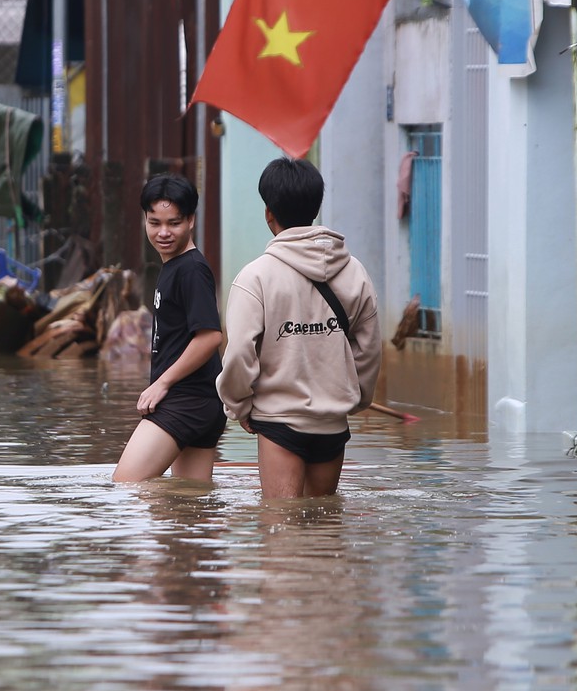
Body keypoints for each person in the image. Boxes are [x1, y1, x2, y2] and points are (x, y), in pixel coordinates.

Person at [219, 157, 382, 500]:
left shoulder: (255, 277)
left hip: (280, 422)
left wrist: (238, 406)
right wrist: (356, 399)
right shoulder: (355, 271)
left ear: (268, 214)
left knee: (282, 529)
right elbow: (368, 350)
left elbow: (238, 354)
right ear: (315, 207)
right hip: (333, 424)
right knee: (324, 530)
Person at [112, 174, 226, 483]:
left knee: (126, 489)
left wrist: (162, 383)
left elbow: (210, 336)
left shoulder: (190, 268)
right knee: (187, 503)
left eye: (173, 223)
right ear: (145, 220)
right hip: (202, 402)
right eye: (155, 222)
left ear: (190, 220)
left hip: (186, 400)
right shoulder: (175, 266)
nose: (163, 232)